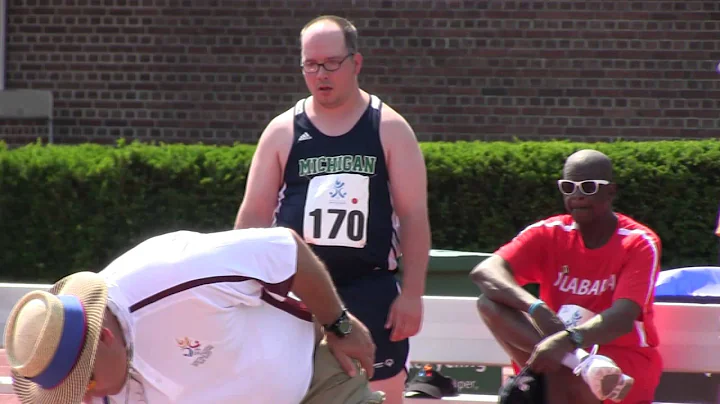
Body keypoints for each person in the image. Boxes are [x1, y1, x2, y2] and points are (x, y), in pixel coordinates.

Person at [234, 15, 431, 404]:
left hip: (369, 288)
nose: (320, 74)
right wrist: (241, 286)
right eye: (311, 64)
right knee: (290, 390)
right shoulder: (282, 131)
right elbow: (253, 216)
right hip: (295, 292)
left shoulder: (389, 128)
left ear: (355, 63)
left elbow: (413, 216)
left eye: (330, 64)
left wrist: (412, 294)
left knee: (381, 391)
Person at [3, 226, 386, 404]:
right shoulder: (96, 378)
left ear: (104, 337)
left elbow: (286, 251)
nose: (87, 400)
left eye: (84, 386)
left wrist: (339, 323)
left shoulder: (173, 273)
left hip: (313, 385)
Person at [470, 149, 663, 404]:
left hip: (620, 363)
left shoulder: (638, 243)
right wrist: (536, 307)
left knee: (562, 377)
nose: (578, 195)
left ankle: (579, 365)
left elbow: (622, 319)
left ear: (611, 191)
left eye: (589, 187)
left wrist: (569, 340)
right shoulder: (549, 232)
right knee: (488, 303)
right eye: (569, 187)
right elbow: (485, 271)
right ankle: (583, 364)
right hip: (560, 356)